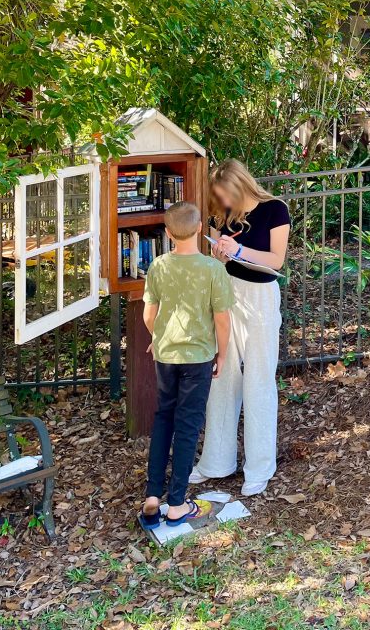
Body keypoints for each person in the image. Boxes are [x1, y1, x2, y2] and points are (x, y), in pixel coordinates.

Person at [189, 159, 290, 497]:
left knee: (258, 380)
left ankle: (259, 467)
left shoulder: (275, 210)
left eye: (225, 194)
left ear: (239, 184)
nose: (223, 203)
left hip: (260, 296)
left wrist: (242, 249)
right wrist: (221, 254)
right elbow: (221, 259)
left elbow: (276, 261)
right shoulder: (226, 216)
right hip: (229, 293)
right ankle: (216, 462)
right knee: (222, 377)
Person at [139, 201, 233, 528]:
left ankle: (153, 497)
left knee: (164, 417)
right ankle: (177, 503)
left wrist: (160, 337)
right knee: (188, 425)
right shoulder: (212, 270)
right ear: (199, 230)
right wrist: (221, 354)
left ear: (167, 233)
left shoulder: (159, 266)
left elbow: (148, 316)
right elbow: (222, 321)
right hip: (198, 358)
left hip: (166, 356)